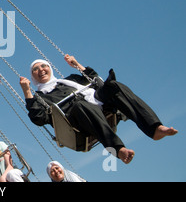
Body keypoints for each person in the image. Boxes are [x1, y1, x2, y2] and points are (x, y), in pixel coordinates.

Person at [20, 54, 178, 164]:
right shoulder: (41, 97)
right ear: (33, 77)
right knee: (80, 104)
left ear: (50, 68)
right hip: (80, 120)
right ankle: (118, 149)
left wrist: (77, 65)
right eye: (35, 69)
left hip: (97, 102)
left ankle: (154, 128)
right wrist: (27, 91)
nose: (40, 69)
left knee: (114, 86)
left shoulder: (70, 79)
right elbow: (38, 118)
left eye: (43, 65)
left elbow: (95, 80)